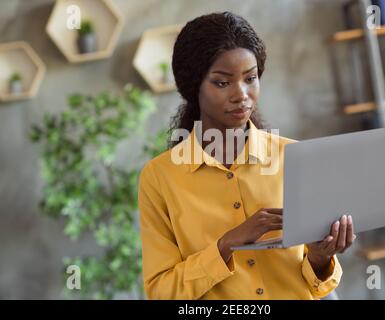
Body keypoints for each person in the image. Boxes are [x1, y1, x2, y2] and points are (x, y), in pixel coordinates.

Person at [138, 11, 355, 300]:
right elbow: (162, 293)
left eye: (250, 78)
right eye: (222, 82)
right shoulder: (159, 178)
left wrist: (320, 256)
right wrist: (226, 245)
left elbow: (318, 284)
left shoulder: (295, 157)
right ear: (194, 87)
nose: (242, 94)